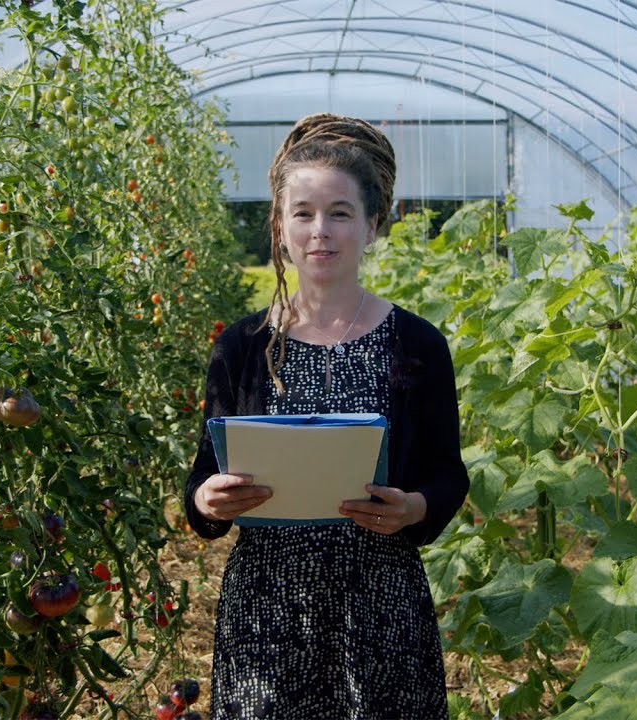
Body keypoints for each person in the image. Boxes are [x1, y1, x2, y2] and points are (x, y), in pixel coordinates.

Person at [184, 113, 470, 719]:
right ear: (281, 226)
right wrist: (208, 501)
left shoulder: (417, 344)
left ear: (372, 225)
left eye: (340, 213)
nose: (321, 231)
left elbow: (447, 472)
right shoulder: (242, 345)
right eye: (304, 213)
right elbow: (203, 478)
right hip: (267, 608)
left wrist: (416, 508)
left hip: (381, 601)